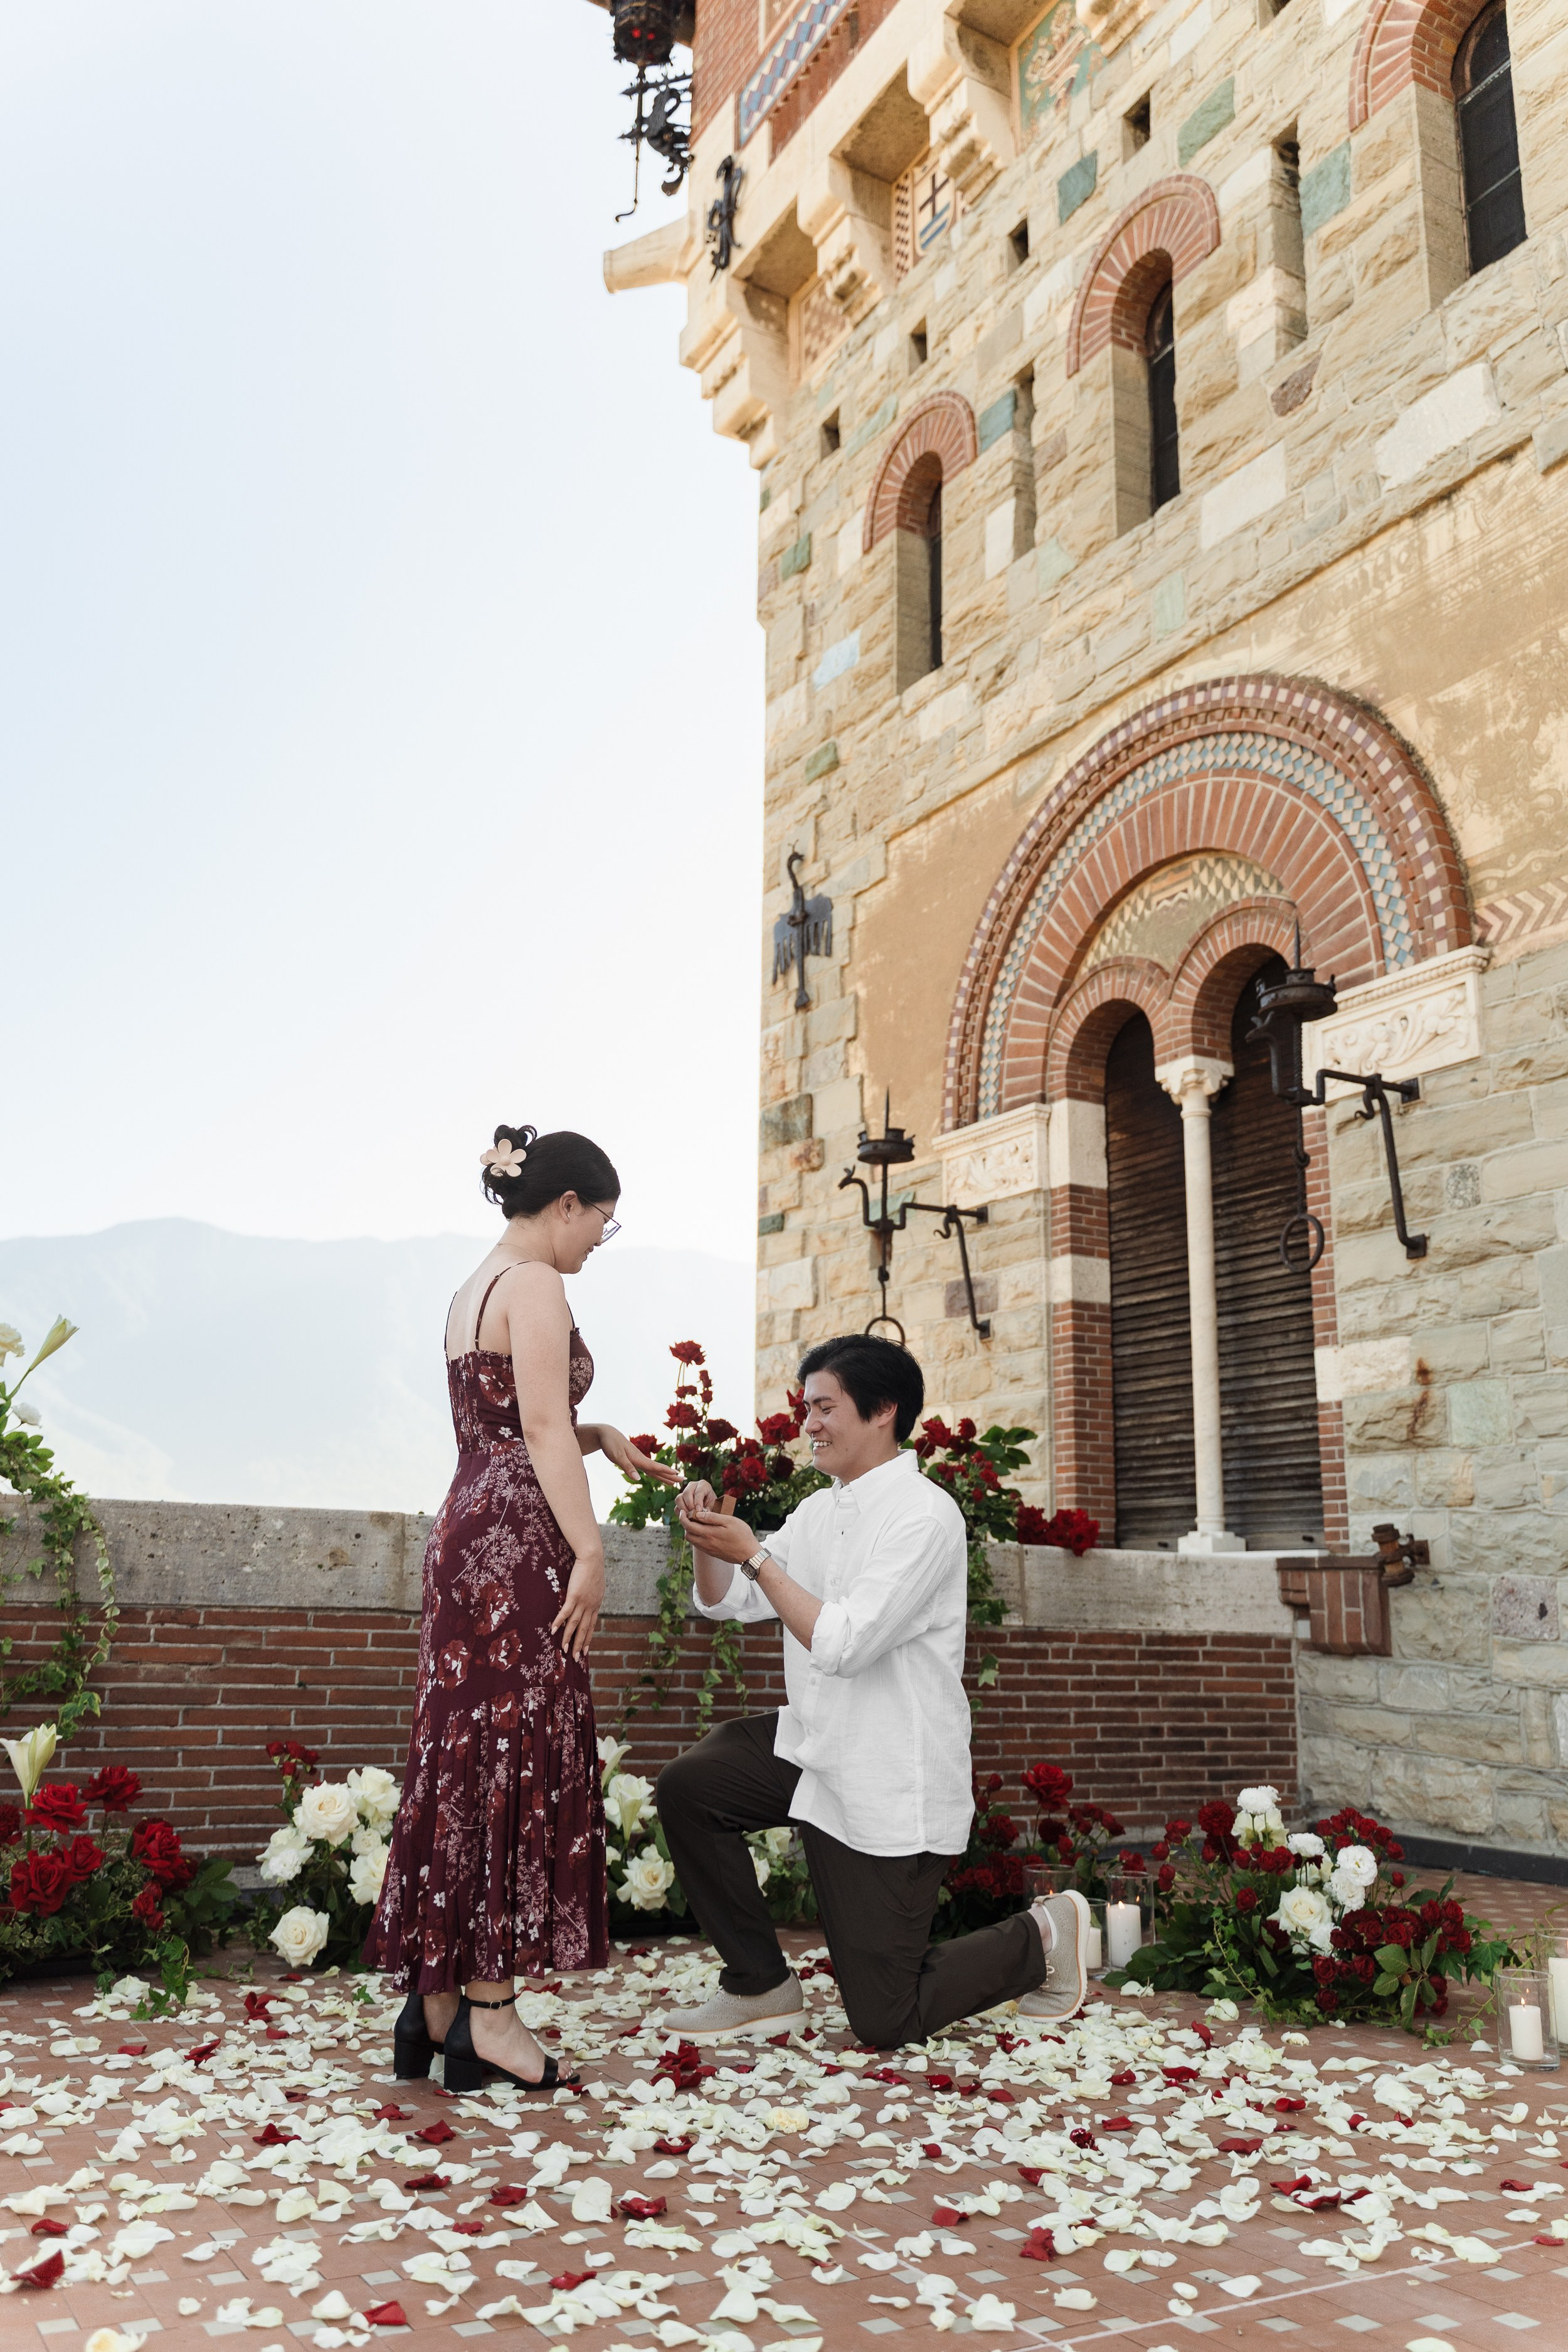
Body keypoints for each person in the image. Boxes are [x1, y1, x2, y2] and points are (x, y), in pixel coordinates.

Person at [655, 1332, 1089, 2050]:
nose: (809, 1425)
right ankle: (759, 1987)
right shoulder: (823, 1509)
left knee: (886, 2018)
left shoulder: (924, 1515)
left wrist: (755, 1555)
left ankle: (1043, 1933)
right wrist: (710, 1542)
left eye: (824, 1407)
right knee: (692, 1786)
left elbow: (845, 1644)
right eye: (805, 1409)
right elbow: (729, 1600)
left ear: (882, 1410)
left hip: (888, 1773)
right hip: (815, 1743)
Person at [365, 1123, 678, 2091]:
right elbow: (534, 1424)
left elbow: (507, 1423)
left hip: (467, 1524)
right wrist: (592, 1547)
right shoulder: (539, 1283)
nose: (596, 1245)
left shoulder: (475, 1287)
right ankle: (493, 2016)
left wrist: (600, 1433)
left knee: (464, 1751)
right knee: (515, 1747)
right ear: (567, 1204)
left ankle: (438, 2003)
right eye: (602, 1224)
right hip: (518, 1543)